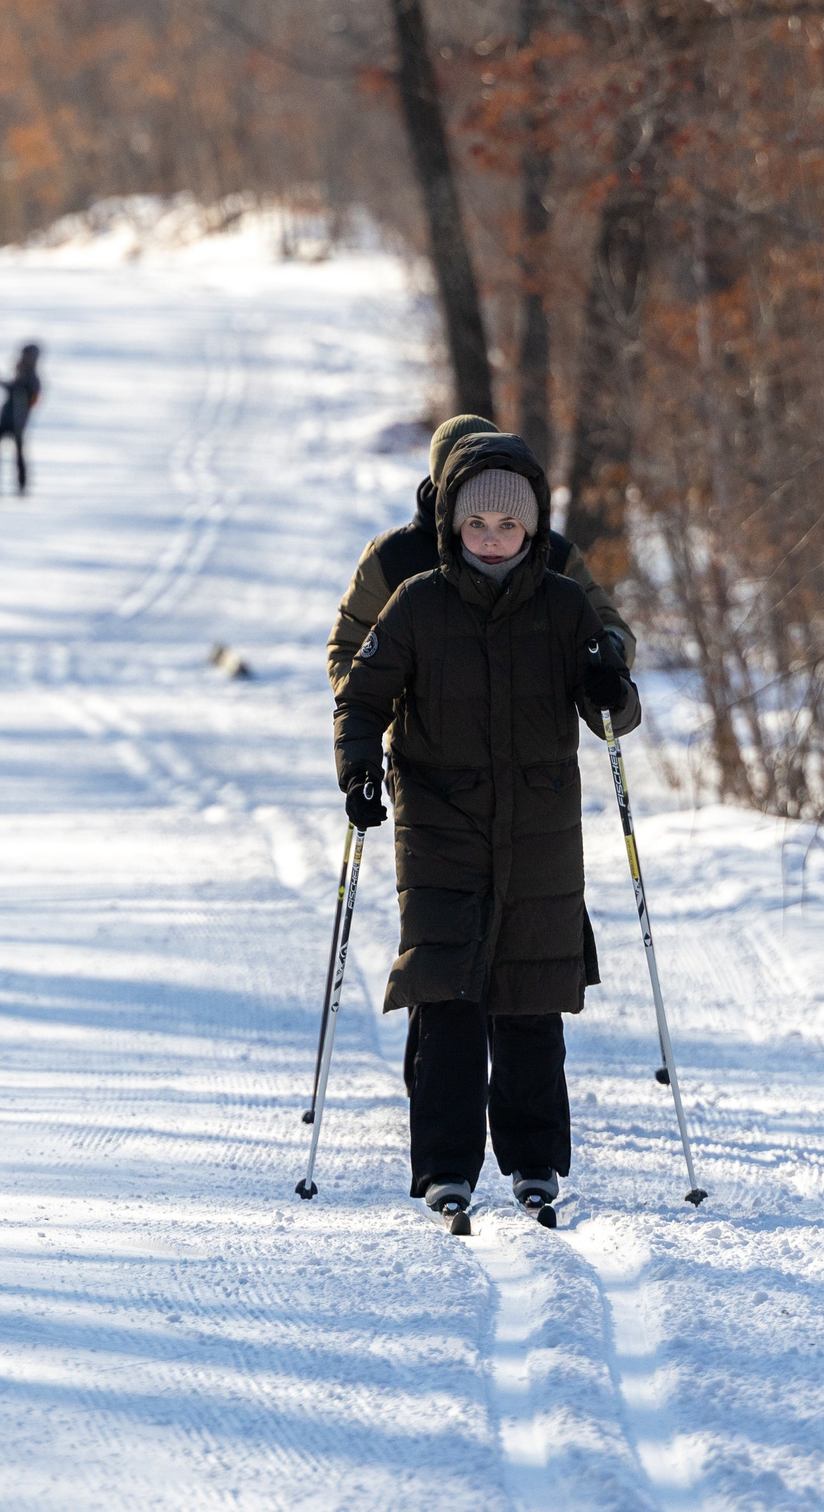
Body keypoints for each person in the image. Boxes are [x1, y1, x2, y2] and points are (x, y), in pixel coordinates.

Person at [333, 431, 640, 1224]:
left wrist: (609, 681)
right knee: (448, 991)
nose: (494, 539)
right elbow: (361, 692)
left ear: (533, 527)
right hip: (440, 821)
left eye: (509, 526)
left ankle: (535, 1158)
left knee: (531, 992)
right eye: (478, 526)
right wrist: (360, 769)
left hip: (539, 827)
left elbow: (611, 712)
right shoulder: (418, 604)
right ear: (453, 528)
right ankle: (444, 1165)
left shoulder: (564, 605)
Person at [328, 414, 633, 692]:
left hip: (531, 740)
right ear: (440, 482)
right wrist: (372, 703)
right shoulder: (393, 556)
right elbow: (348, 647)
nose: (490, 540)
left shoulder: (548, 554)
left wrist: (607, 657)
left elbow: (609, 627)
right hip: (419, 747)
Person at [0, 342, 41, 493]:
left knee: (17, 452)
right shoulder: (23, 373)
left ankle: (21, 483)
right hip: (8, 417)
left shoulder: (31, 377)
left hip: (17, 420)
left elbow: (16, 388)